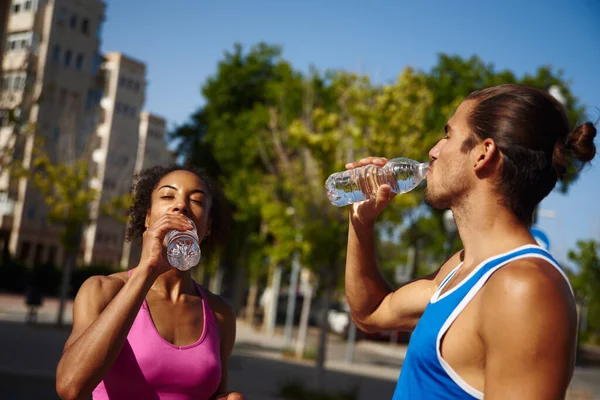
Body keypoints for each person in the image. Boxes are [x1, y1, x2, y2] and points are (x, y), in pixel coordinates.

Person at [344, 84, 596, 399]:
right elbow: (371, 312)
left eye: (448, 136)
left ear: (483, 153)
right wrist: (361, 222)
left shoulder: (524, 288)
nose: (434, 150)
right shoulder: (461, 268)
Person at [56, 165, 244, 400]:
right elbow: (70, 387)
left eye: (196, 201)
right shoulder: (102, 291)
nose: (181, 205)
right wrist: (147, 270)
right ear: (147, 218)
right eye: (167, 196)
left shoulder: (220, 313)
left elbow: (213, 394)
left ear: (207, 228)